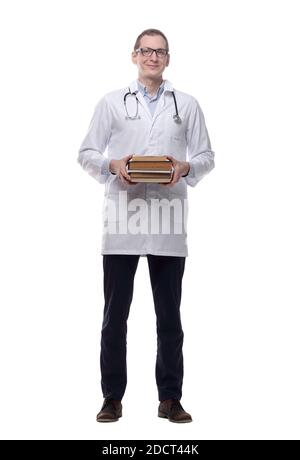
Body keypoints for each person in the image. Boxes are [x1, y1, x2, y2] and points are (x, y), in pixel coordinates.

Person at [78, 28, 215, 423]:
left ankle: (170, 397)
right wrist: (113, 165)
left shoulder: (185, 105)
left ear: (168, 59)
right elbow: (87, 152)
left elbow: (206, 155)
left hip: (168, 219)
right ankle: (111, 397)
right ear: (134, 56)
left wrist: (188, 167)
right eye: (146, 50)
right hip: (123, 214)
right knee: (114, 316)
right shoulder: (111, 103)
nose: (153, 57)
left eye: (160, 52)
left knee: (169, 316)